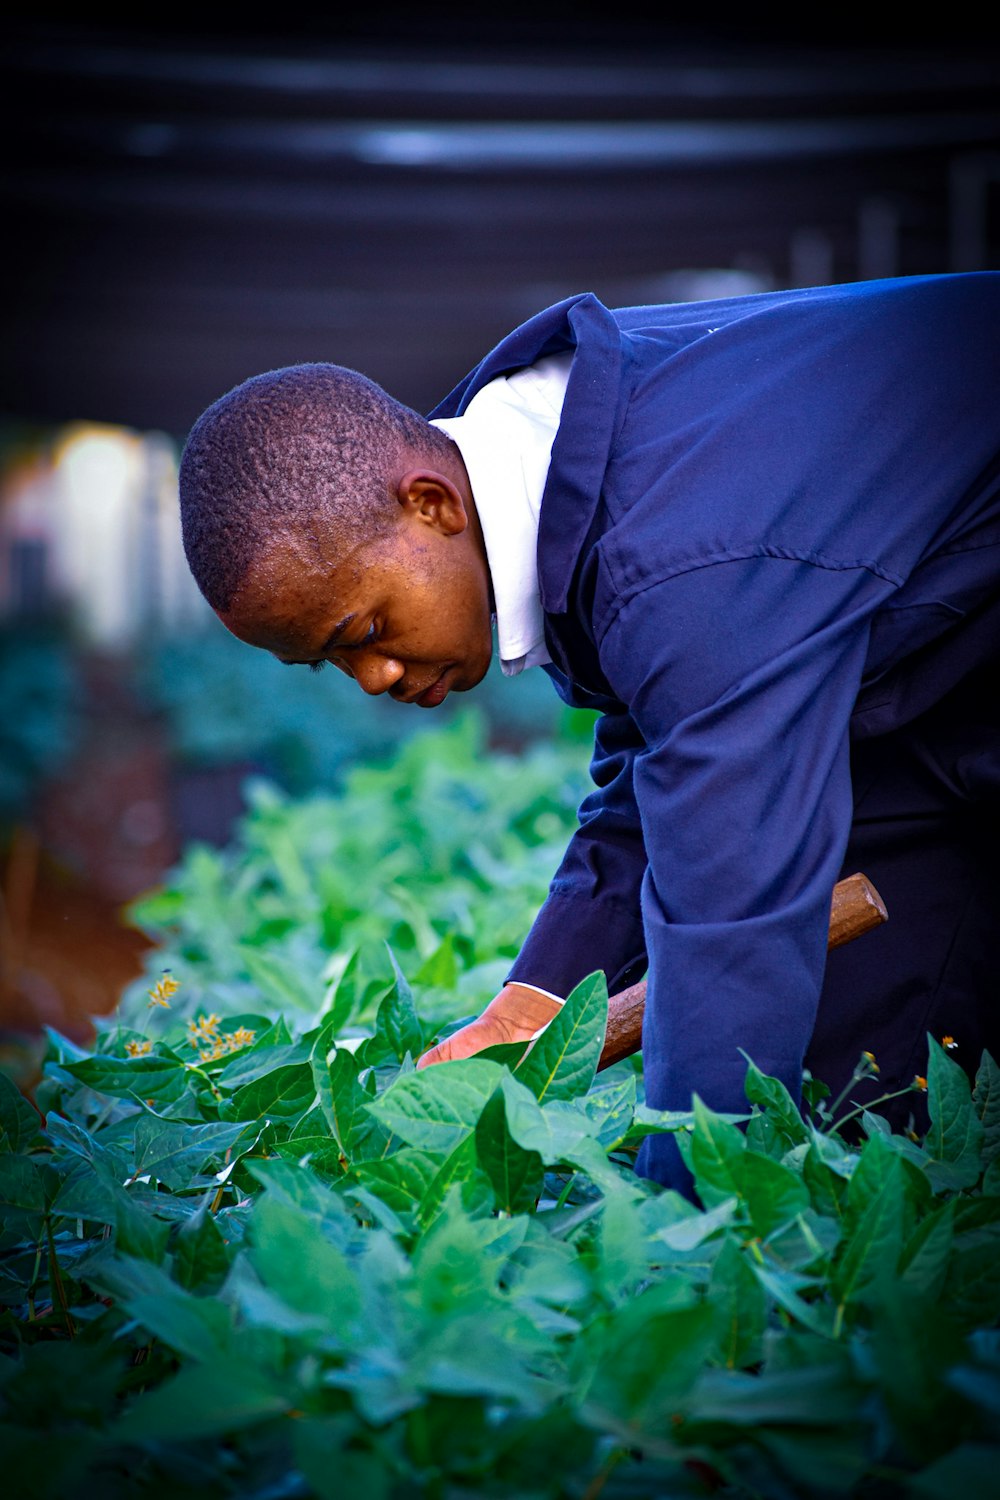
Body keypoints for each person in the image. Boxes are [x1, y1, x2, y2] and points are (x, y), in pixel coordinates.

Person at [179, 272, 1000, 1193]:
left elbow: (732, 916)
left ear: (431, 505)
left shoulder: (679, 562)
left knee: (757, 1096)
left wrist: (671, 1236)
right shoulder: (563, 472)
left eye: (364, 633)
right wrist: (533, 1006)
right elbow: (660, 763)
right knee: (869, 1109)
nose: (374, 678)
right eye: (332, 665)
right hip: (943, 698)